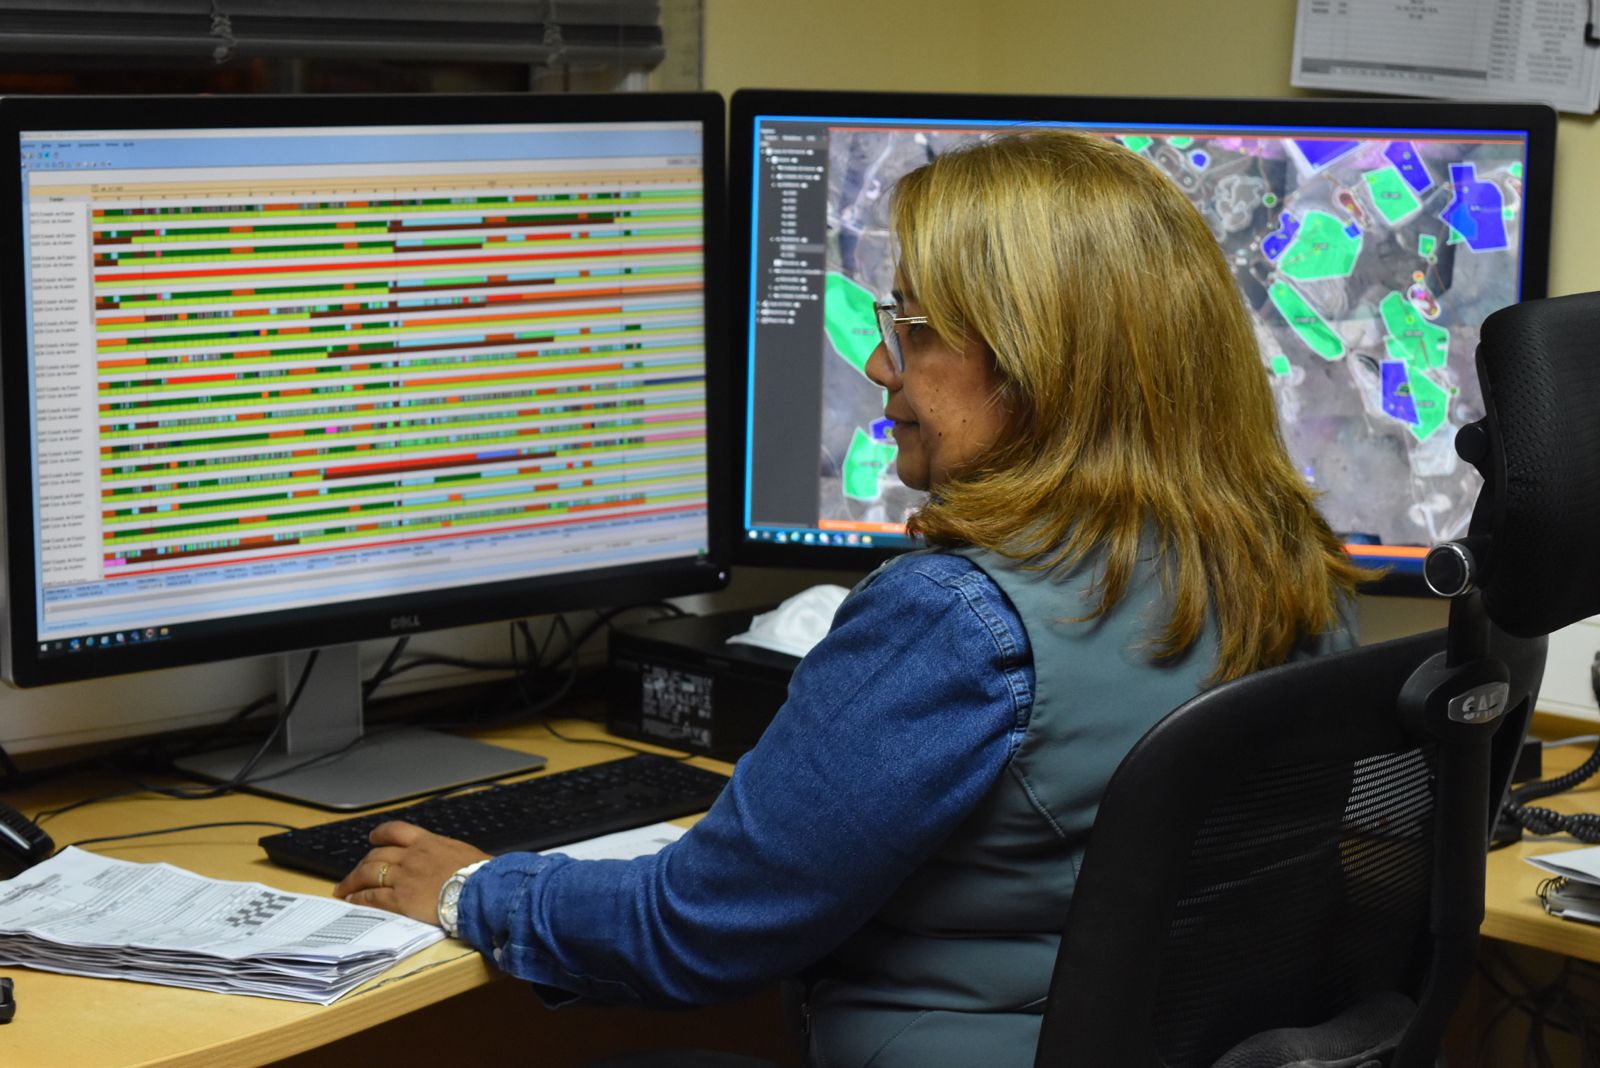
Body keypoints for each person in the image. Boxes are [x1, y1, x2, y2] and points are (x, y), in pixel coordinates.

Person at [333, 129, 1369, 1067]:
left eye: (912, 330)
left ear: (1032, 366)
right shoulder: (1290, 568)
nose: (879, 362)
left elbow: (697, 928)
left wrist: (473, 890)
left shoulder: (958, 621)